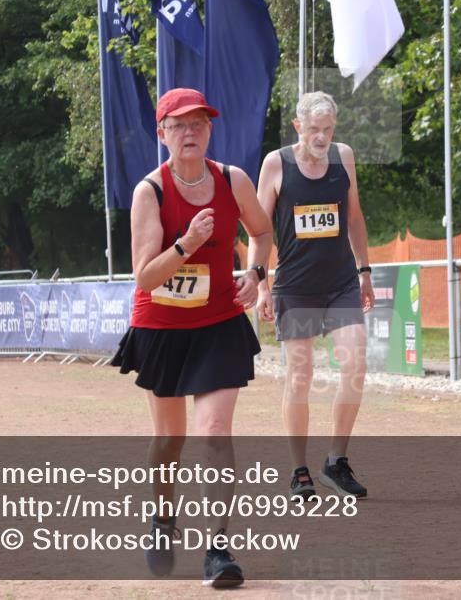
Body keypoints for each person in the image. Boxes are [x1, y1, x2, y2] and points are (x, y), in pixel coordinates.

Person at [112, 88, 272, 588]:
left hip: (220, 321)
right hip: (162, 325)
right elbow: (146, 276)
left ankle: (218, 549)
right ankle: (163, 520)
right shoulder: (150, 192)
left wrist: (255, 272)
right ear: (162, 134)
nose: (189, 133)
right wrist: (188, 243)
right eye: (178, 125)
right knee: (169, 441)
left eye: (198, 124)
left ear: (209, 131)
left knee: (215, 432)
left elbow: (263, 232)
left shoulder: (233, 180)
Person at [252, 91, 374, 502]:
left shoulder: (344, 157)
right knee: (300, 376)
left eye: (328, 129)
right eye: (314, 130)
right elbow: (259, 229)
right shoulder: (277, 163)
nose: (322, 138)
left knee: (356, 364)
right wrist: (261, 284)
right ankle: (299, 471)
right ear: (298, 127)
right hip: (297, 286)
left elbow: (354, 217)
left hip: (341, 282)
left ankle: (335, 461)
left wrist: (365, 271)